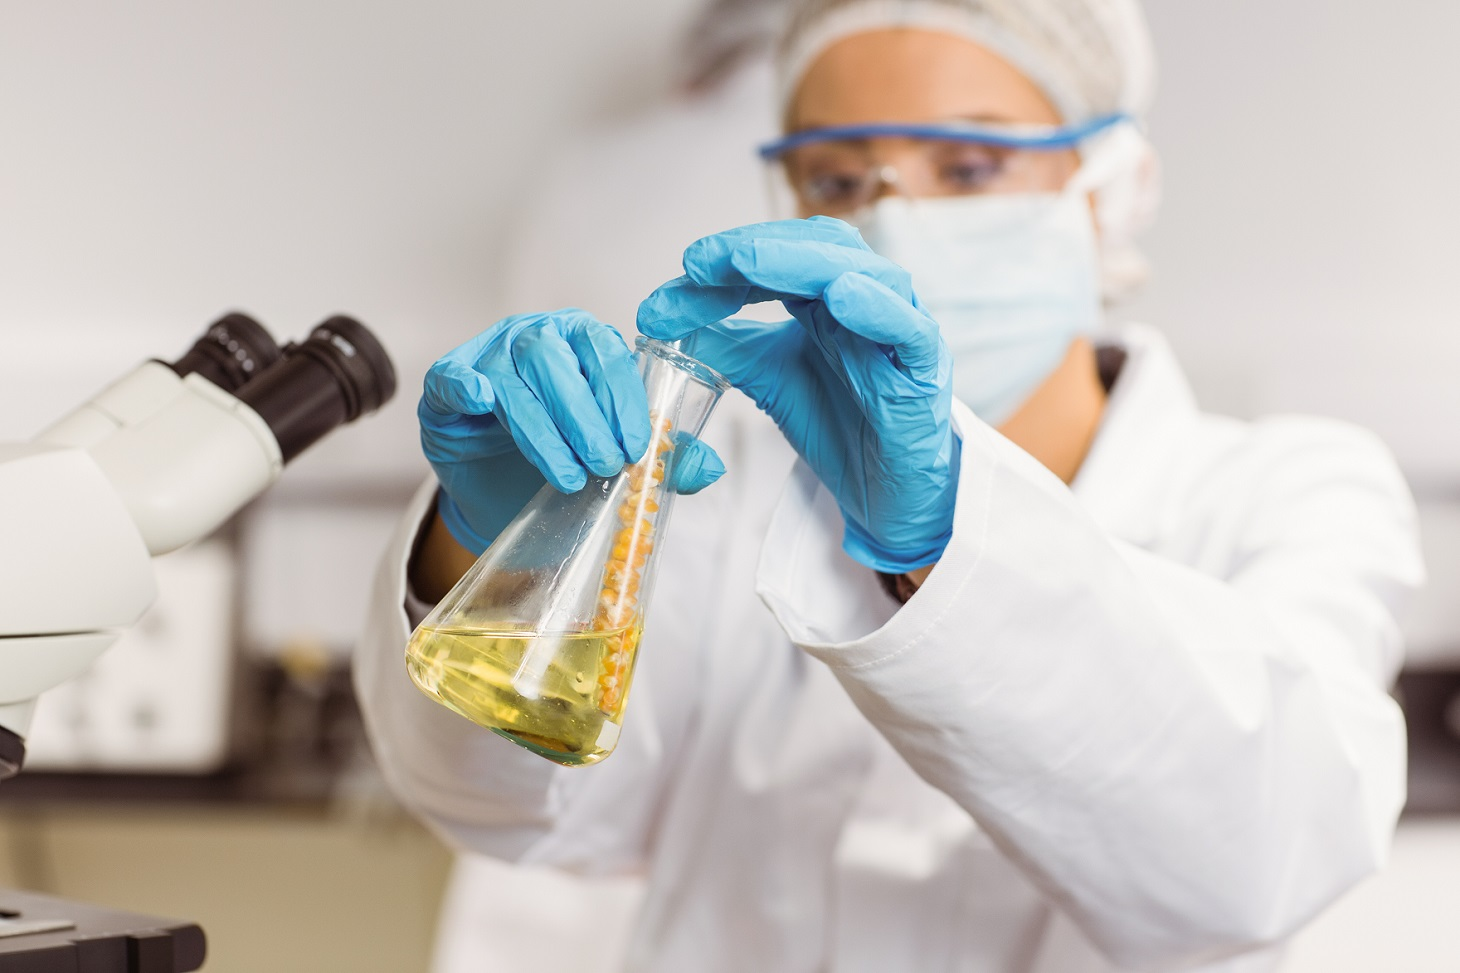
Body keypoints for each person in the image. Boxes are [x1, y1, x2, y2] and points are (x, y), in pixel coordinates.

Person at [355, 0, 1425, 970]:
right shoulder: (722, 485)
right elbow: (509, 805)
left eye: (969, 167)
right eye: (836, 178)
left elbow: (1248, 869)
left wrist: (944, 543)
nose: (896, 220)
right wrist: (504, 553)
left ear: (1108, 190)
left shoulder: (1290, 493)